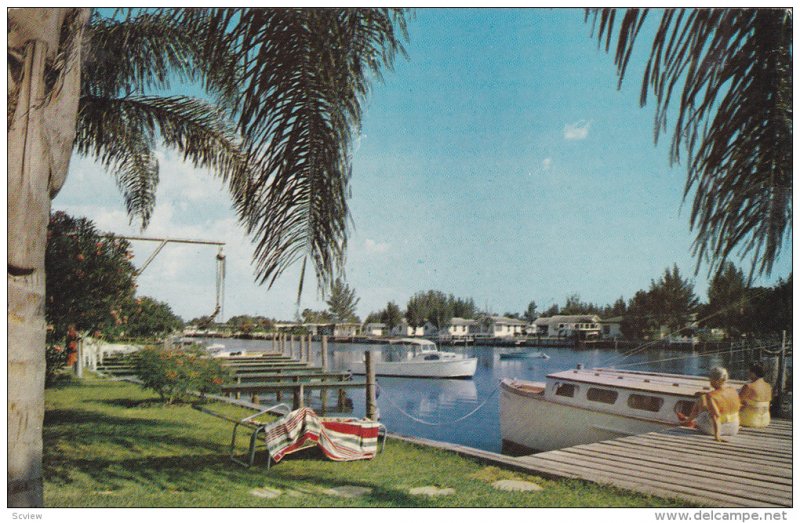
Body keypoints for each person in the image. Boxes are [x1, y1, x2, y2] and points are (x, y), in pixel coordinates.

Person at [681, 367, 741, 442]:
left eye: (710, 379)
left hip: (713, 429)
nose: (709, 382)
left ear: (715, 380)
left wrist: (717, 436)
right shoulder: (733, 390)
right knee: (705, 400)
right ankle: (689, 420)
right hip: (733, 428)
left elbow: (716, 416)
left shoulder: (711, 396)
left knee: (702, 398)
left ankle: (688, 420)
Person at [738, 362, 772, 428]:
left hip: (750, 421)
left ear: (753, 373)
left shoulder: (749, 386)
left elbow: (736, 402)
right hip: (765, 420)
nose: (748, 374)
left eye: (749, 372)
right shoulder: (768, 386)